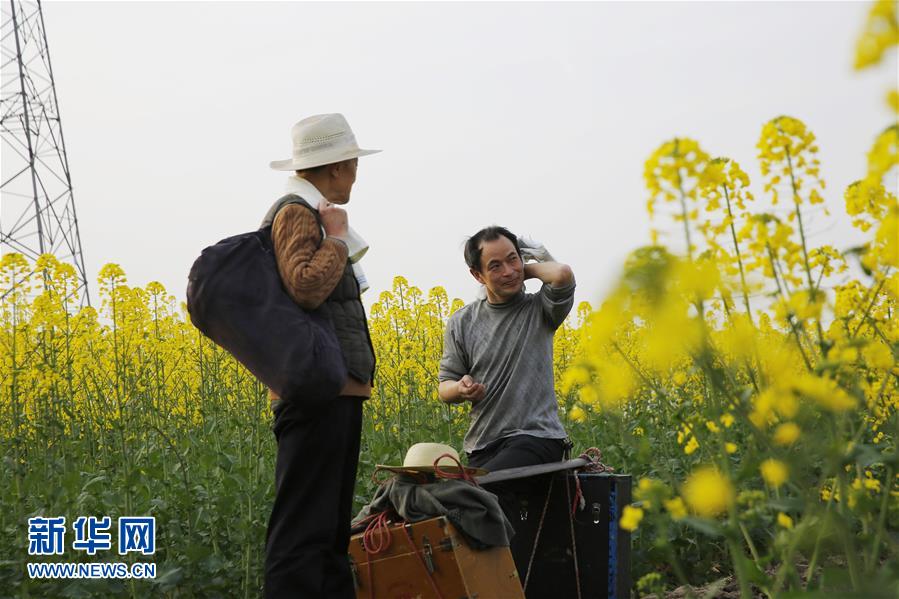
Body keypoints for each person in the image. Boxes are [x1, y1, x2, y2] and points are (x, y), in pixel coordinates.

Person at [262, 113, 378, 598]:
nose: (356, 175)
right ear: (337, 167)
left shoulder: (315, 211)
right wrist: (333, 237)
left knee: (330, 529)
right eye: (353, 165)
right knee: (303, 530)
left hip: (336, 386)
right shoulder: (297, 212)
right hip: (316, 390)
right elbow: (306, 286)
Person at [438, 226, 575, 478]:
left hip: (537, 438)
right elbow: (444, 387)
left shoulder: (540, 309)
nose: (508, 271)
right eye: (495, 266)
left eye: (513, 259)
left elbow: (562, 273)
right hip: (483, 445)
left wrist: (524, 269)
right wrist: (460, 388)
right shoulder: (462, 322)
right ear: (477, 275)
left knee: (471, 490)